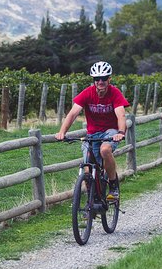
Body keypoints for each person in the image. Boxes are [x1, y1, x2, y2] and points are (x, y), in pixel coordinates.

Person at [55, 61, 129, 200]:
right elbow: (72, 114)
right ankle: (91, 202)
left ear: (109, 79)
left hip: (110, 132)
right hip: (93, 133)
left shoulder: (115, 93)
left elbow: (121, 114)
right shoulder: (87, 93)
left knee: (105, 150)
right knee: (88, 168)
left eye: (104, 78)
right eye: (97, 79)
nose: (100, 82)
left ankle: (113, 186)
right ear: (93, 80)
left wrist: (120, 132)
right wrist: (62, 132)